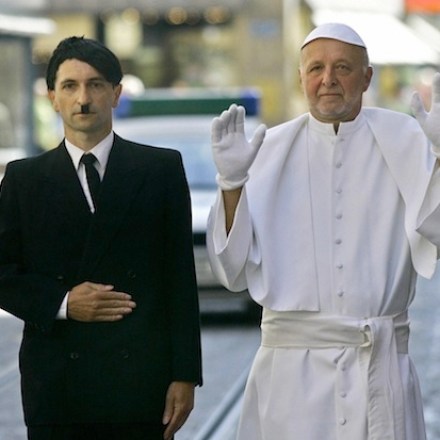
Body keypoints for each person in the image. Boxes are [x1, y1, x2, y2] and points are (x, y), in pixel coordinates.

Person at [206, 22, 440, 440]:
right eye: (316, 68)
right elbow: (231, 270)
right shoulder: (264, 151)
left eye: (342, 68)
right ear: (301, 78)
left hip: (379, 365)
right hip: (290, 379)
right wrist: (231, 184)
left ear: (367, 77)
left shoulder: (406, 140)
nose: (328, 79)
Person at [0, 36, 202, 440]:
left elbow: (180, 277)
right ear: (52, 98)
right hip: (58, 387)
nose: (83, 98)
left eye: (95, 84)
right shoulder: (24, 179)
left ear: (116, 94)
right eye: (70, 86)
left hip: (140, 382)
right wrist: (63, 302)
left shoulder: (160, 169)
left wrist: (185, 375)